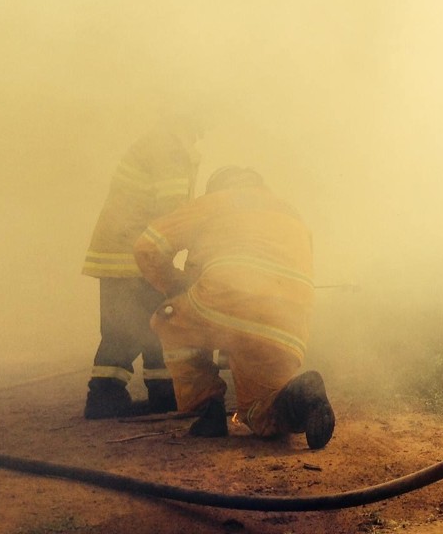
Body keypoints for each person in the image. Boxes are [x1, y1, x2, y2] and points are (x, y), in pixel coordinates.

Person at [133, 166, 335, 449]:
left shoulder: (214, 202)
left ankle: (208, 410)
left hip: (227, 300)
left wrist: (175, 286)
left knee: (169, 320)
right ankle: (303, 397)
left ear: (218, 186)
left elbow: (147, 246)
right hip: (288, 324)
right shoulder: (290, 212)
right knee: (262, 411)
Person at [81, 115, 202, 419]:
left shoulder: (164, 143)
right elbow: (173, 213)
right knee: (138, 325)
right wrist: (199, 255)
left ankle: (157, 393)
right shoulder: (169, 149)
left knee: (146, 323)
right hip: (134, 253)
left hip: (130, 250)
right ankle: (107, 397)